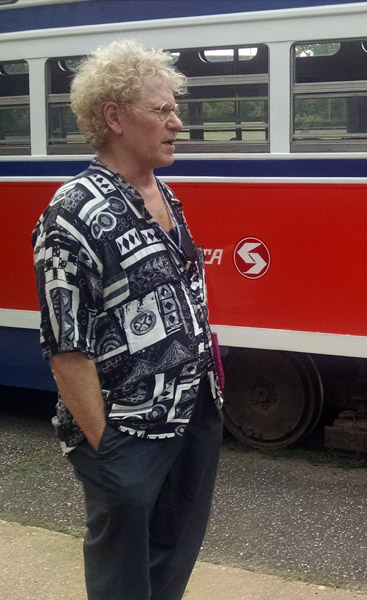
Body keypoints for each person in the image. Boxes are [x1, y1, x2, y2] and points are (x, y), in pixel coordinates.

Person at [31, 39, 224, 600]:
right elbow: (67, 349)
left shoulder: (161, 193)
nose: (177, 123)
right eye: (161, 110)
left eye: (174, 109)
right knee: (122, 578)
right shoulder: (71, 213)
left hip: (192, 412)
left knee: (171, 560)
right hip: (128, 430)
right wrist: (108, 451)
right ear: (115, 117)